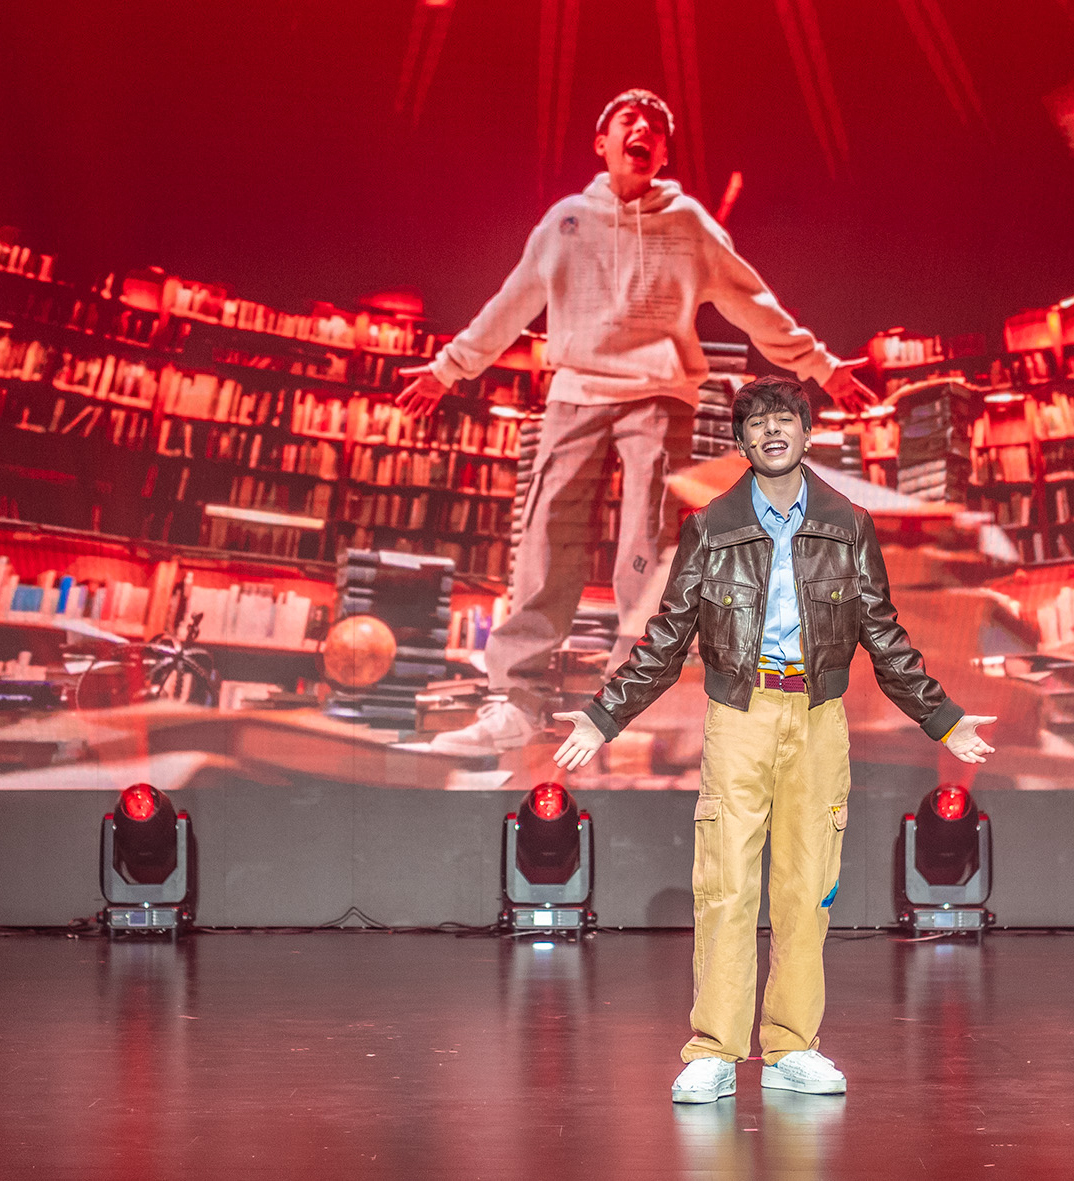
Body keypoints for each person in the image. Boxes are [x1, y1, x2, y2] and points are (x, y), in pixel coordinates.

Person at [551, 376, 997, 1102]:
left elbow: (883, 635)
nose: (771, 432)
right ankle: (716, 1051)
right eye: (756, 424)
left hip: (819, 717)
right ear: (741, 442)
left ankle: (792, 1045)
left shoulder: (848, 523)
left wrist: (943, 717)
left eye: (783, 419)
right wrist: (604, 716)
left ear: (807, 433)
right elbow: (666, 637)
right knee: (725, 883)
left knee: (805, 888)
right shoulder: (710, 527)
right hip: (741, 714)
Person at [397, 88, 875, 756]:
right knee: (547, 534)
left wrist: (821, 367)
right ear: (603, 143)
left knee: (647, 547)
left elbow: (754, 304)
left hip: (659, 394)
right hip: (576, 391)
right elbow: (510, 305)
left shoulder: (689, 224)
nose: (641, 128)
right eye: (628, 120)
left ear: (663, 153)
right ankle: (515, 701)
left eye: (654, 125)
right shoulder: (566, 221)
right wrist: (448, 369)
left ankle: (631, 703)